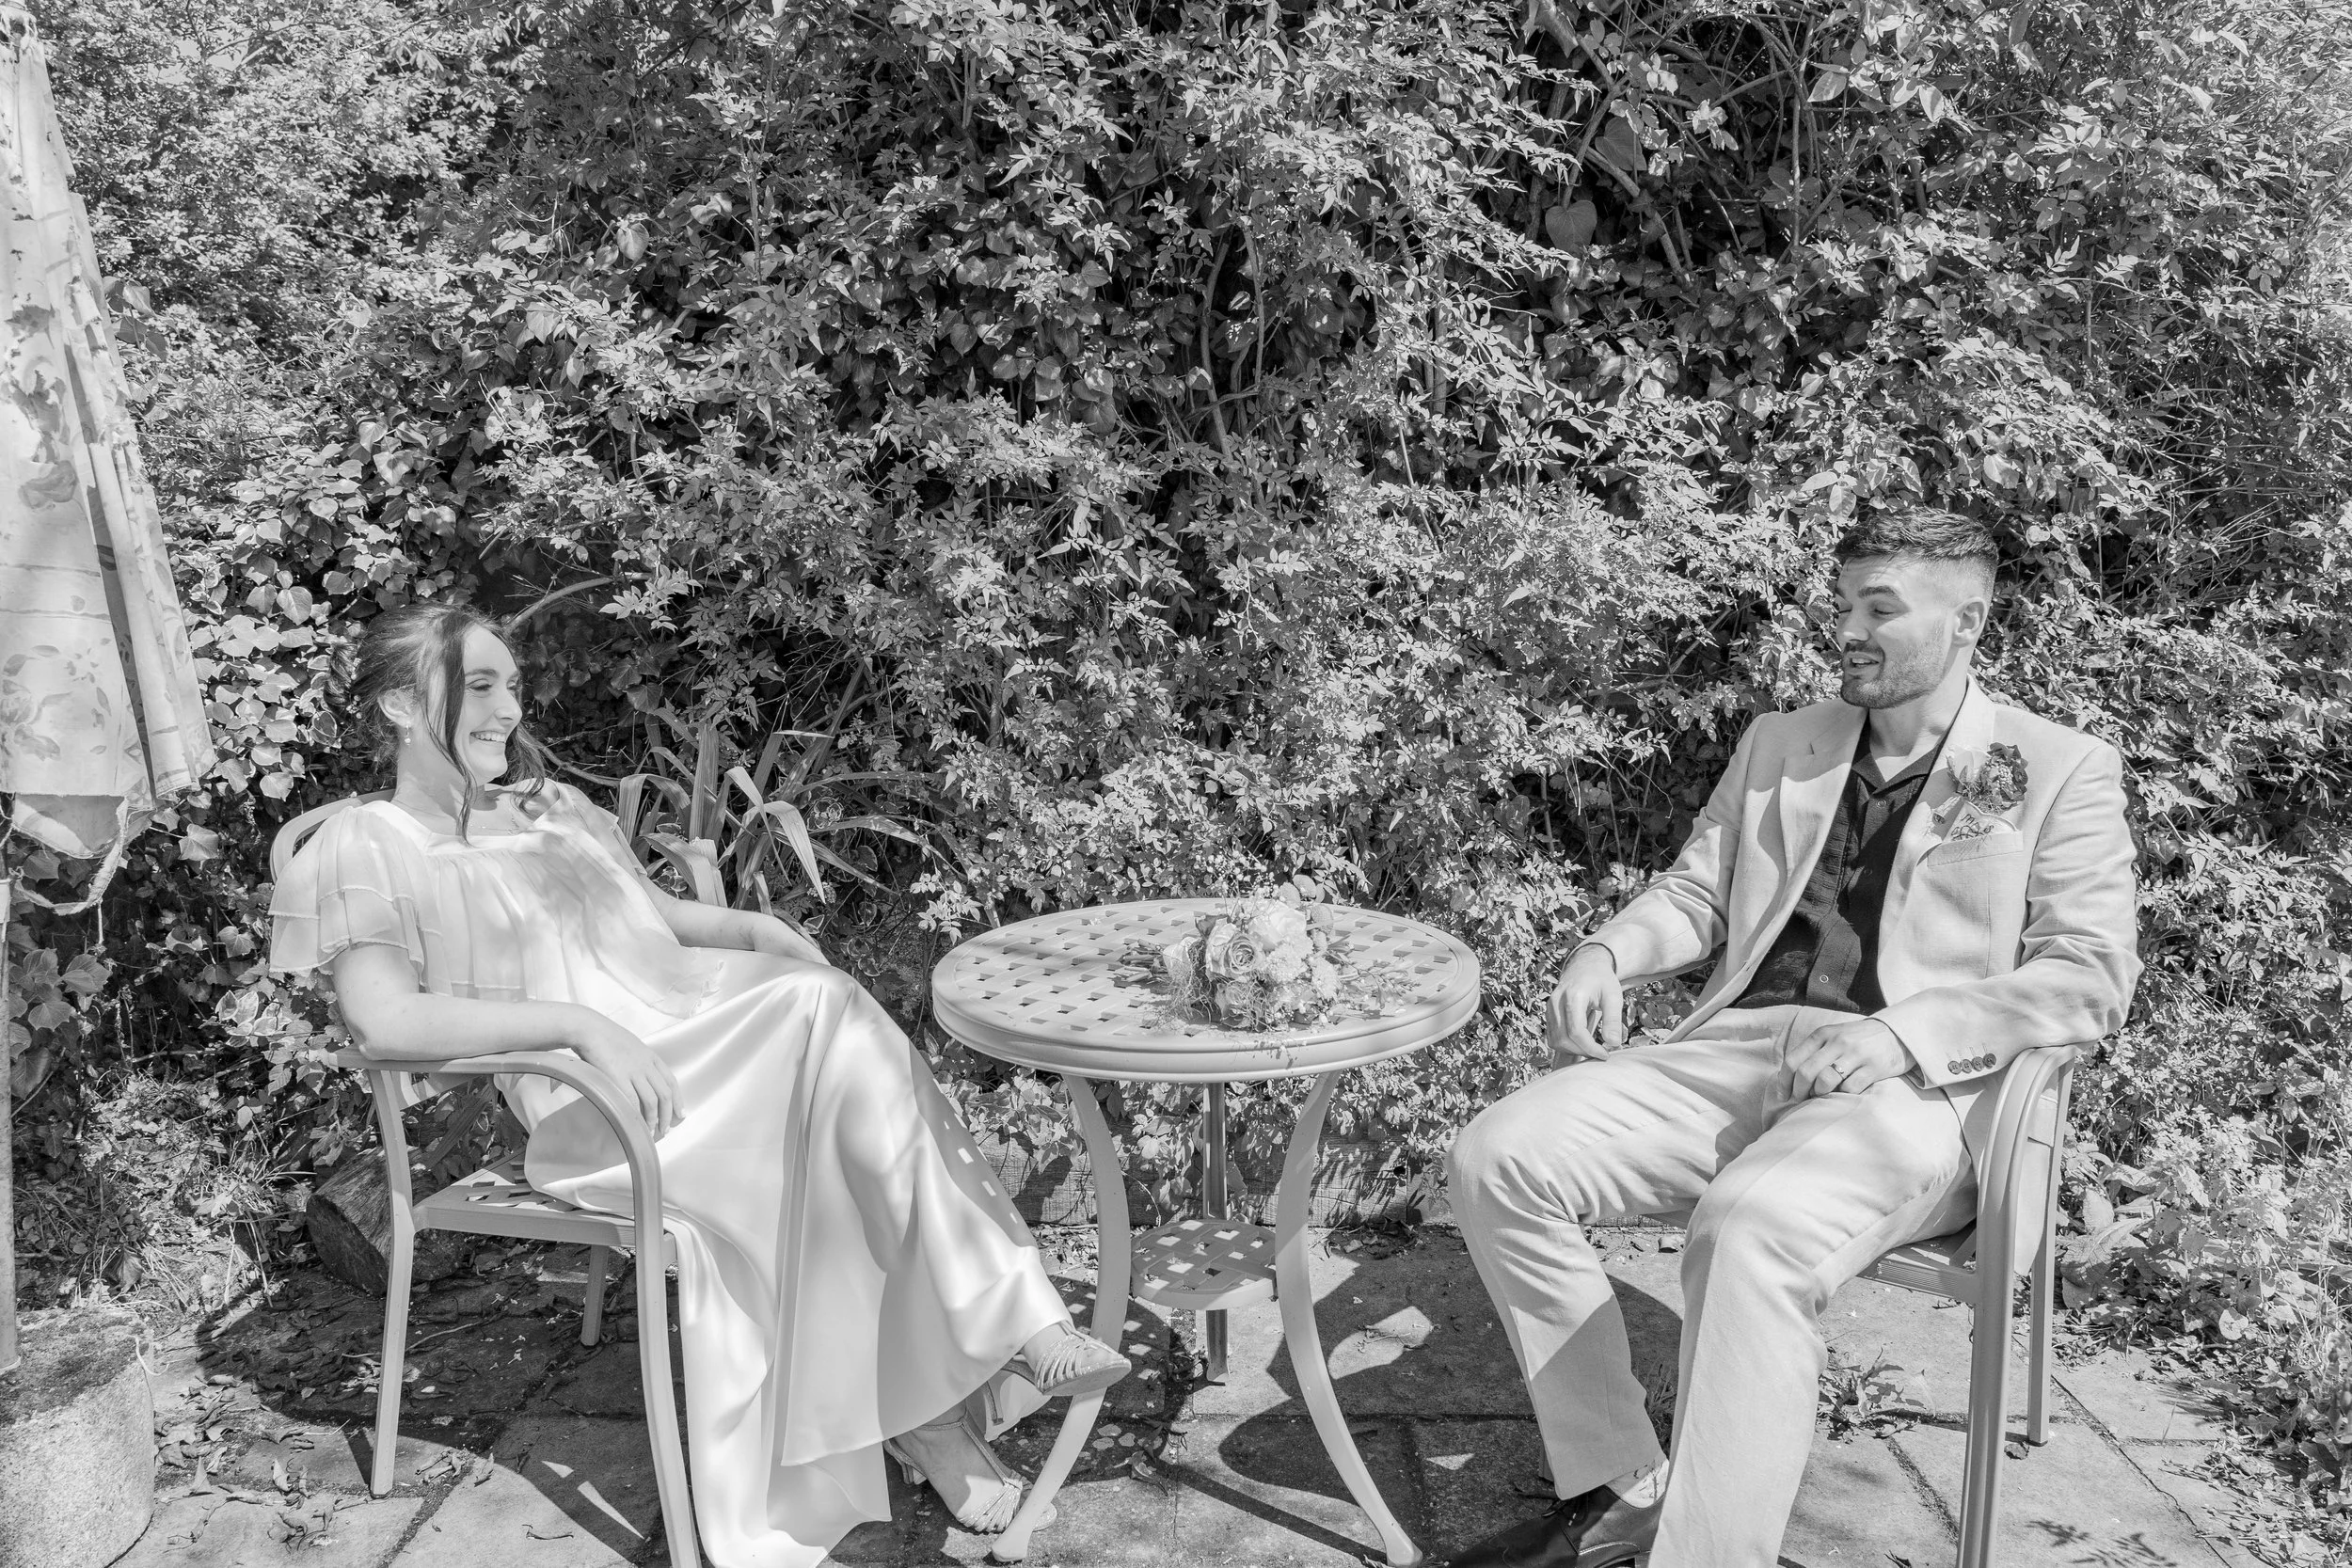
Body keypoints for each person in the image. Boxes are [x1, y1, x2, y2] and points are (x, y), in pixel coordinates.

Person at [269, 603, 1129, 1568]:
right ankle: (998, 1340)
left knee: (832, 1057)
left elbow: (660, 920)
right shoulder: (364, 842)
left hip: (707, 1030)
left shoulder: (545, 810)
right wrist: (577, 1024)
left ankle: (963, 1386)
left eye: (512, 683)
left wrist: (758, 932)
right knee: (825, 1050)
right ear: (396, 700)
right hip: (602, 1096)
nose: (509, 707)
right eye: (479, 684)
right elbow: (387, 1019)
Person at [1443, 510, 2140, 1568]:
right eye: (1842, 602)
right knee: (1495, 1155)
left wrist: (1906, 1034)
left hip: (1917, 1096)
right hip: (1736, 1050)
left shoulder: (2058, 766)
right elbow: (1695, 889)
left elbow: (2090, 974)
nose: (1846, 627)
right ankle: (1621, 1483)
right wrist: (1608, 951)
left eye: (1879, 608)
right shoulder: (1783, 740)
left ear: (1967, 622)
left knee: (1746, 1227)